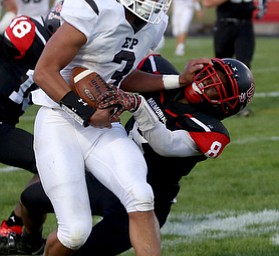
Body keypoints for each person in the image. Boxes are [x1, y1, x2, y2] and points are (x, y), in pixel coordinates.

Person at [1, 53, 255, 255]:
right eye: (210, 76)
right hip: (106, 175)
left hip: (145, 199)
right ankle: (29, 243)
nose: (205, 83)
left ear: (227, 104)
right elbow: (127, 74)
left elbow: (165, 144)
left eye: (216, 87)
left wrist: (139, 105)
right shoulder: (161, 72)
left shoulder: (212, 131)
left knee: (76, 247)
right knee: (31, 197)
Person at [31, 0, 213, 255]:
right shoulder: (94, 9)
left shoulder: (156, 23)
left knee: (140, 195)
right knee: (74, 233)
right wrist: (86, 111)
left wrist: (178, 80)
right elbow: (44, 71)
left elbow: (122, 74)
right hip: (58, 120)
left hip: (103, 125)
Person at [0, 14, 51, 244]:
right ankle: (18, 231)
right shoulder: (37, 40)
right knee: (51, 162)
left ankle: (15, 226)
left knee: (49, 161)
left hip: (4, 127)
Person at [203, 0, 265, 116]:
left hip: (245, 26)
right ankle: (221, 103)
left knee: (244, 66)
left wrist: (260, 7)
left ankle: (240, 105)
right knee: (221, 68)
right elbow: (208, 3)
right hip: (224, 25)